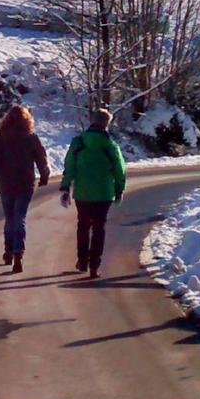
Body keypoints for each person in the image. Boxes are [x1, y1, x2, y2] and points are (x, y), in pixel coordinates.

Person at [60, 108, 126, 278]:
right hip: (104, 193)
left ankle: (82, 260)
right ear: (107, 124)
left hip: (82, 192)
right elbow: (120, 170)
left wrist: (65, 187)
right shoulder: (110, 145)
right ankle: (94, 265)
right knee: (99, 228)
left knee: (82, 225)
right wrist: (119, 190)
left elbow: (69, 166)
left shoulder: (78, 142)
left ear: (92, 121)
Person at [0, 105, 51, 274]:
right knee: (19, 217)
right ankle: (18, 253)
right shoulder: (31, 137)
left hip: (6, 183)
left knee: (9, 218)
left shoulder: (0, 137)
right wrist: (44, 175)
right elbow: (41, 158)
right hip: (25, 183)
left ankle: (8, 251)